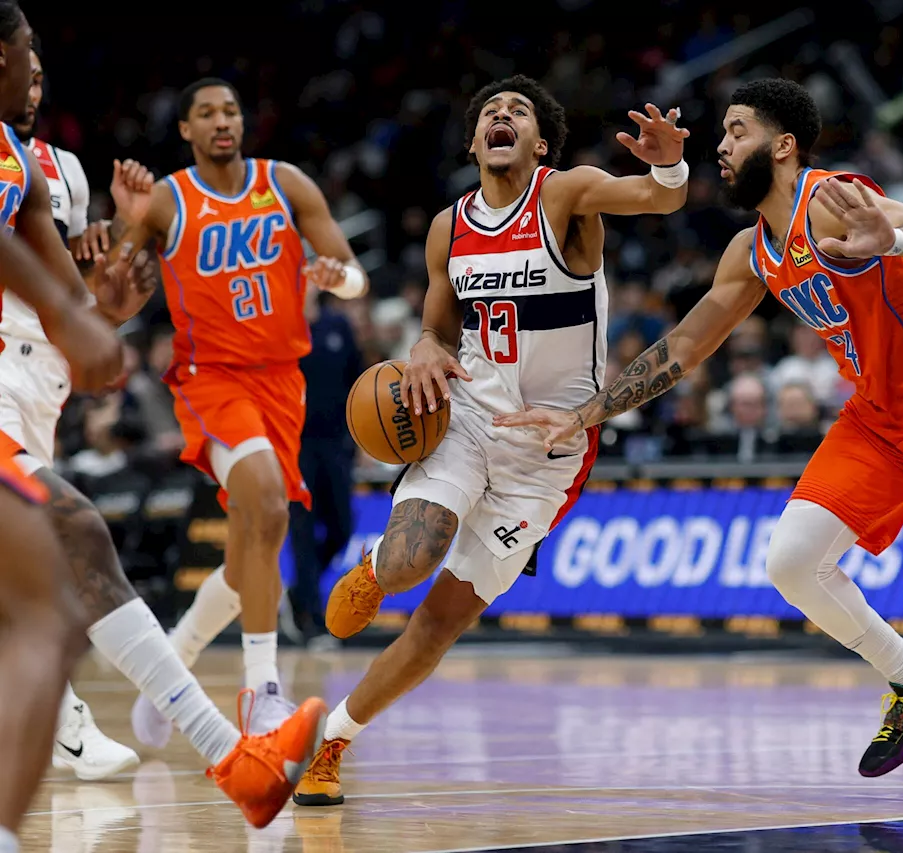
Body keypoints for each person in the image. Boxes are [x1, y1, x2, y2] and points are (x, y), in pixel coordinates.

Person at [499, 79, 903, 798]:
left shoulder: (831, 198)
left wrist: (894, 239)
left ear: (783, 146)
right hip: (880, 413)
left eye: (738, 130)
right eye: (721, 132)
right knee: (790, 562)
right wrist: (585, 413)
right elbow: (686, 346)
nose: (721, 145)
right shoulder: (752, 251)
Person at [293, 74, 690, 806]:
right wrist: (419, 345)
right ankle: (378, 566)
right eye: (489, 113)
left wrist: (668, 165)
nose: (502, 117)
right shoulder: (450, 226)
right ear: (475, 141)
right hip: (468, 416)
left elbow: (659, 198)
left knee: (439, 625)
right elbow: (438, 326)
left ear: (539, 143)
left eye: (520, 113)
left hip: (551, 450)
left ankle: (332, 742)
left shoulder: (565, 193)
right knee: (414, 557)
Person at [0, 3, 327, 831]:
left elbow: (76, 306)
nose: (34, 74)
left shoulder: (35, 173)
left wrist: (103, 303)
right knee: (69, 547)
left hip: (29, 392)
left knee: (58, 588)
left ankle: (237, 763)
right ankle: (232, 753)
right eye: (24, 56)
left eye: (41, 61)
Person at [111, 77, 368, 739]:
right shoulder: (169, 199)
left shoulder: (286, 184)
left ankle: (172, 664)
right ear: (187, 130)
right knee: (266, 501)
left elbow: (353, 271)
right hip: (211, 378)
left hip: (283, 383)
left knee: (247, 557)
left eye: (230, 109)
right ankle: (262, 693)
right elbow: (111, 293)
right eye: (205, 112)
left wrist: (340, 277)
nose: (221, 120)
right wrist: (121, 217)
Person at [5, 40, 139, 781]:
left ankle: (60, 721)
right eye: (24, 69)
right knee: (51, 545)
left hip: (45, 376)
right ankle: (69, 722)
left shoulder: (63, 171)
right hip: (2, 358)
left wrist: (115, 232)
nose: (33, 86)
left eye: (42, 77)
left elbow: (77, 277)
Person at [287, 289, 364, 643]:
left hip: (336, 446)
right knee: (302, 532)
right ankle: (311, 620)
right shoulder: (283, 329)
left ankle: (300, 594)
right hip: (296, 447)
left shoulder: (338, 325)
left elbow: (359, 384)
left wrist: (362, 437)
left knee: (342, 528)